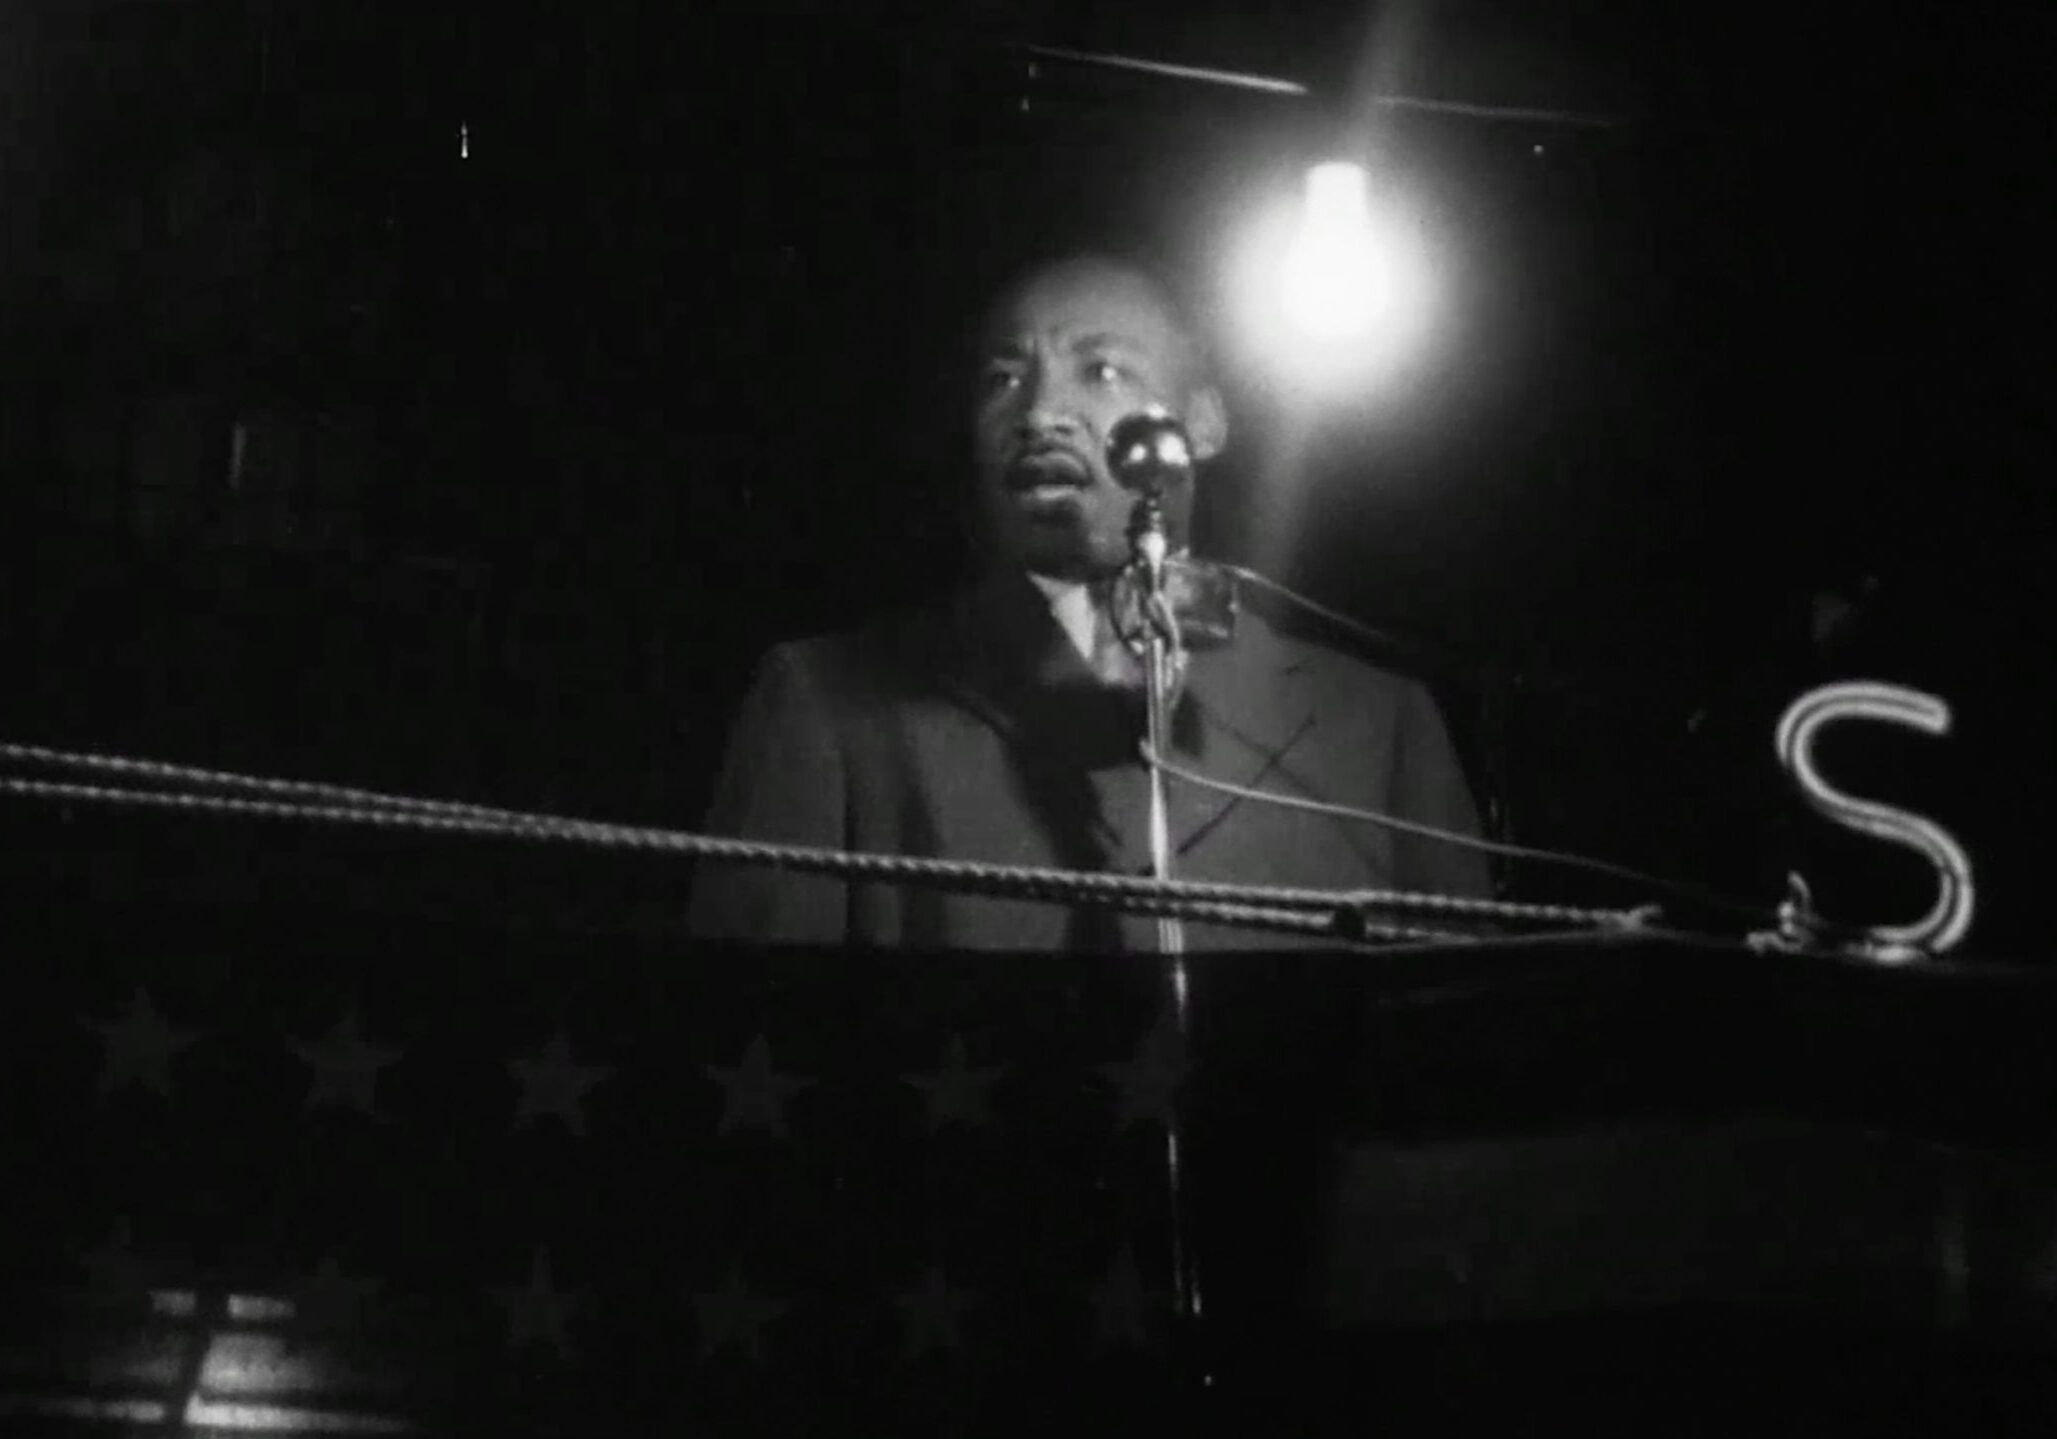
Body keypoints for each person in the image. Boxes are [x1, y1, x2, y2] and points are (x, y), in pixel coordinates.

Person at [686, 251, 1492, 949]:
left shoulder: (1378, 723)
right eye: (1002, 379)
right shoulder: (830, 704)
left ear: (1202, 423)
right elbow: (753, 1034)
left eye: (1101, 370)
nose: (1038, 414)